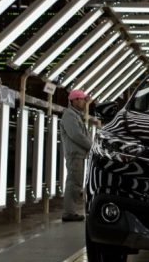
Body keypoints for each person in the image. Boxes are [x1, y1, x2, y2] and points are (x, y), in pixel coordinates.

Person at [60, 89, 92, 222]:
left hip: (78, 154)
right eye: (82, 99)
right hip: (74, 154)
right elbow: (76, 135)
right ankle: (69, 213)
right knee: (73, 182)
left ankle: (70, 211)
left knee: (76, 182)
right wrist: (91, 146)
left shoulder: (76, 115)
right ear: (74, 100)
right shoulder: (69, 115)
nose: (85, 101)